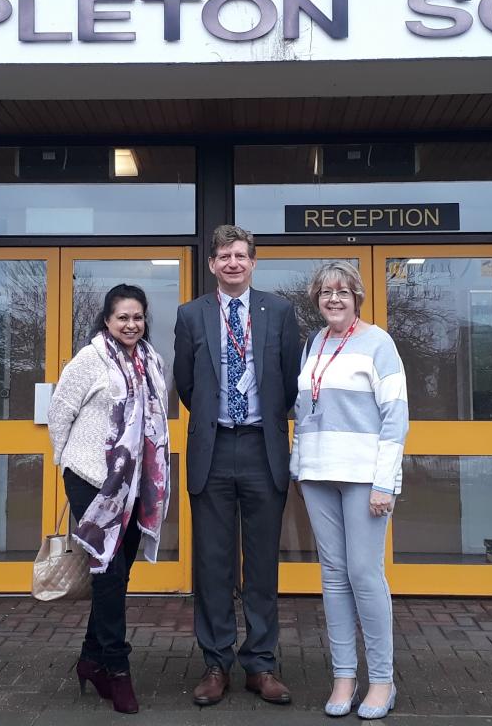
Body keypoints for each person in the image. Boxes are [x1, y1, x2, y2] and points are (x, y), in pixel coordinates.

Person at [173, 224, 301, 707]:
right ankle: (215, 663)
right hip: (213, 447)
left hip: (261, 448)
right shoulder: (191, 315)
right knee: (212, 564)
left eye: (241, 256)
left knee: (262, 562)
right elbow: (185, 383)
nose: (232, 262)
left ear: (252, 263)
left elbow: (289, 382)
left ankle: (262, 664)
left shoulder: (281, 312)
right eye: (224, 255)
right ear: (212, 264)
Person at [290, 260, 408, 720]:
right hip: (319, 475)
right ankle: (344, 677)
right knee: (334, 577)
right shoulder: (314, 343)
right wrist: (300, 467)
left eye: (342, 291)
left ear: (357, 295)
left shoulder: (379, 343)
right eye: (325, 292)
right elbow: (304, 410)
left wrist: (385, 481)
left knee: (364, 574)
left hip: (364, 478)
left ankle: (381, 681)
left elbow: (395, 416)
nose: (333, 299)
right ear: (317, 299)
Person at [48, 284, 171, 715]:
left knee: (117, 574)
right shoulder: (90, 359)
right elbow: (59, 412)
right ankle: (118, 670)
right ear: (107, 320)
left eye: (137, 317)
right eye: (122, 317)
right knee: (107, 570)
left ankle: (90, 659)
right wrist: (68, 462)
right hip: (92, 480)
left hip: (137, 483)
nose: (131, 325)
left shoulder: (152, 361)